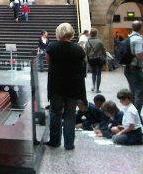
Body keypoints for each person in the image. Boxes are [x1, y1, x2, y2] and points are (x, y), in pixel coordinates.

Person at [45, 22, 86, 150]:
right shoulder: (78, 49)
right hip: (73, 87)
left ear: (58, 33)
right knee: (70, 115)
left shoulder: (51, 47)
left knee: (55, 113)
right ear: (71, 33)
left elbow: (48, 62)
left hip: (56, 85)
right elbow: (82, 69)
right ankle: (69, 143)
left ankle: (55, 141)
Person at [123, 21, 143, 113]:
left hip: (127, 68)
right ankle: (136, 115)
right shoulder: (138, 39)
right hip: (135, 68)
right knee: (139, 92)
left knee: (133, 91)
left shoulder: (129, 37)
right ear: (140, 28)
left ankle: (131, 112)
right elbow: (139, 54)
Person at [85, 28, 106, 92]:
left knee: (93, 73)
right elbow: (103, 51)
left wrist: (87, 58)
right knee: (98, 74)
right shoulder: (99, 41)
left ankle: (93, 86)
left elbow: (86, 52)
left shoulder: (88, 41)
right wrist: (105, 57)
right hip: (98, 59)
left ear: (90, 33)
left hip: (91, 59)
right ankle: (97, 89)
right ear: (96, 33)